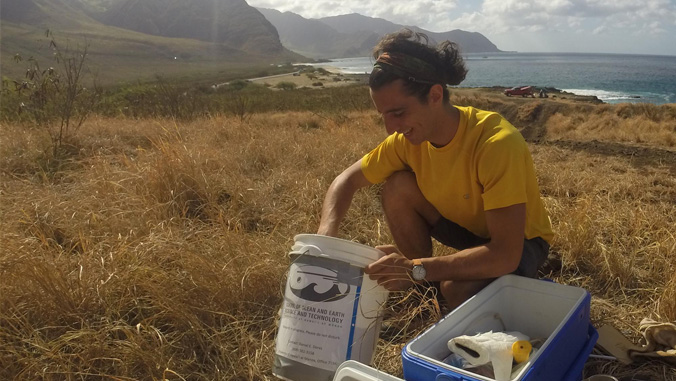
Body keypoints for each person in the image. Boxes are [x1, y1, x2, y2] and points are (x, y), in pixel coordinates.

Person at [316, 29, 554, 311]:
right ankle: (422, 285)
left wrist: (415, 268)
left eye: (398, 113)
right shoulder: (405, 141)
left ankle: (425, 280)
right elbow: (346, 180)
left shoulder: (495, 143)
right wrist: (324, 242)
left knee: (455, 291)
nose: (391, 128)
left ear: (434, 95)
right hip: (469, 231)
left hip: (518, 243)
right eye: (383, 115)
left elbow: (504, 254)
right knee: (397, 187)